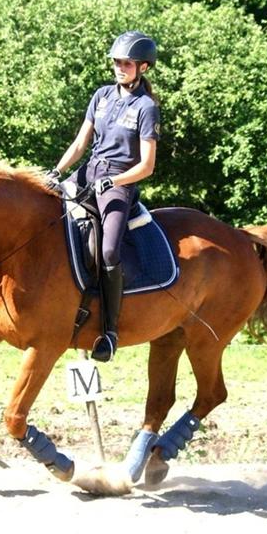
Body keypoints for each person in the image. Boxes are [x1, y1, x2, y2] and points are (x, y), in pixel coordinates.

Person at [49, 31, 161, 363]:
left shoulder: (146, 108)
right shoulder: (100, 96)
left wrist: (115, 179)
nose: (119, 68)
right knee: (46, 215)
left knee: (109, 250)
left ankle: (109, 332)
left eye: (126, 63)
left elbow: (147, 165)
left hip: (120, 183)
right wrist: (56, 172)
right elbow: (81, 143)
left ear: (142, 67)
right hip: (88, 172)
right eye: (116, 62)